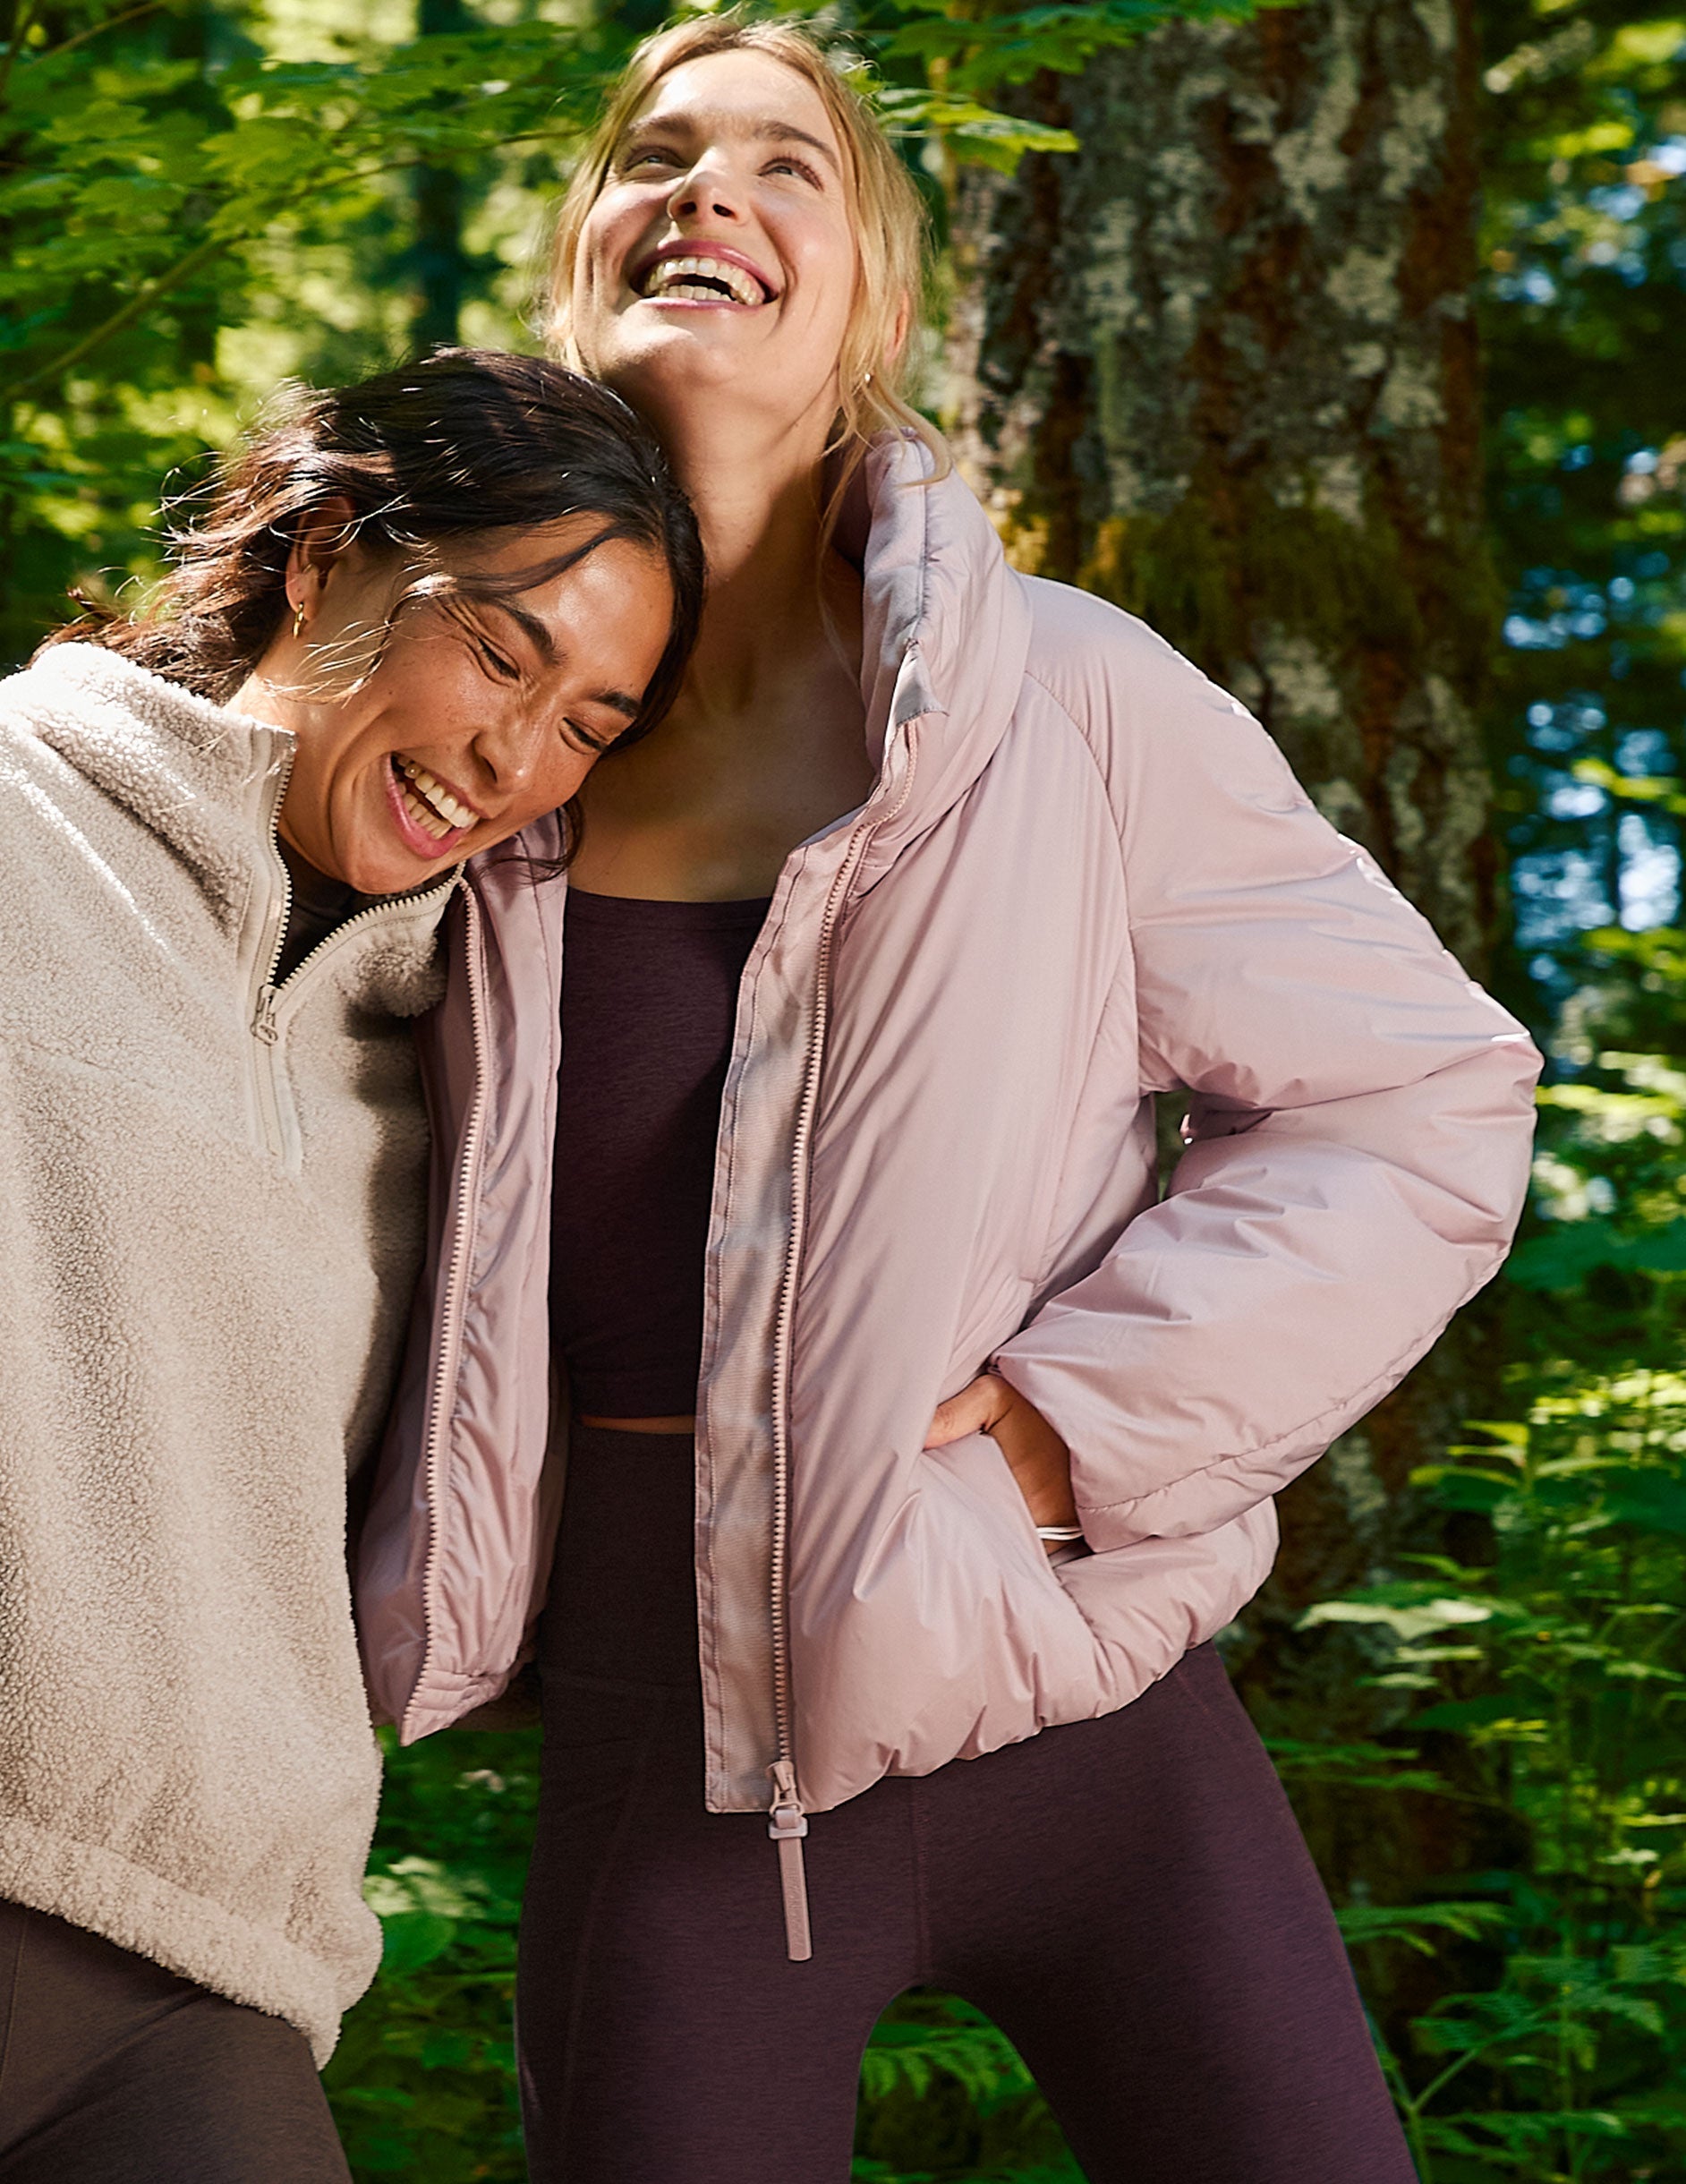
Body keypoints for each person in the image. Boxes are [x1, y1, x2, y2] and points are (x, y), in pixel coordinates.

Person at [353, 22, 1541, 2181]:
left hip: (1085, 1707)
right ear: (583, 257)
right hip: (671, 1759)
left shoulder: (1065, 702)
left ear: (876, 294)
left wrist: (1074, 1420)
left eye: (784, 165)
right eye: (657, 154)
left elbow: (1430, 1093)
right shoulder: (478, 751)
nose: (709, 192)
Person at [0, 347, 702, 2184]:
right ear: (322, 553)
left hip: (210, 1974)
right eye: (499, 651)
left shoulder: (452, 1060)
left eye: (589, 724)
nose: (515, 757)